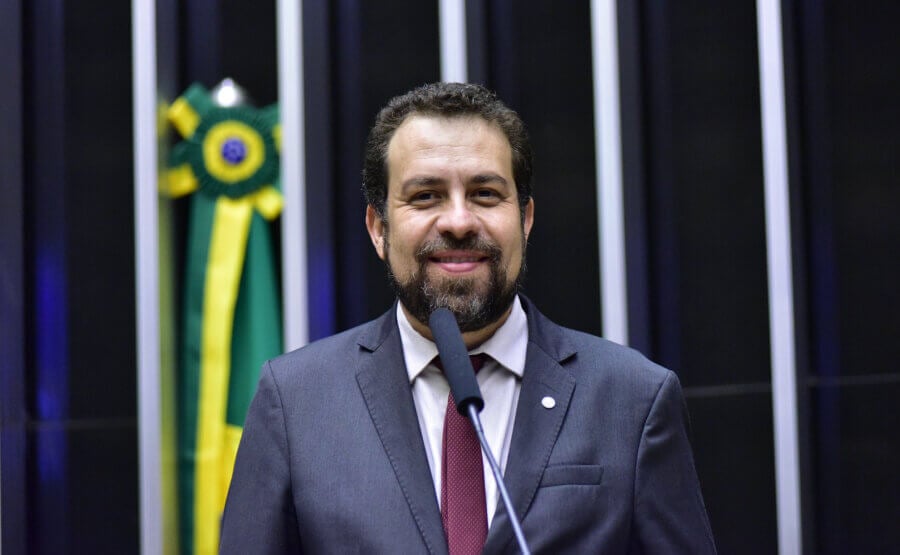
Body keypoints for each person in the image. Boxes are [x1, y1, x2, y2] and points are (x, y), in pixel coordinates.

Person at [220, 82, 716, 554]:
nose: (458, 221)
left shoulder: (632, 400)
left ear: (524, 219)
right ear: (378, 229)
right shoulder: (296, 402)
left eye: (484, 194)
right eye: (425, 196)